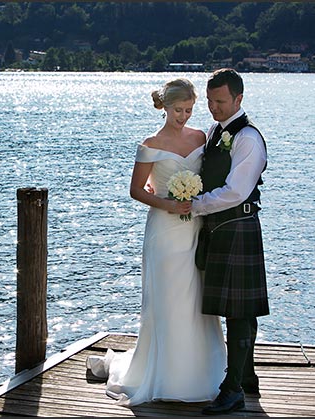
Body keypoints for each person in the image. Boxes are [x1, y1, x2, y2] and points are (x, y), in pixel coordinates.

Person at [86, 78, 227, 406]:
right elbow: (136, 190)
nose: (184, 116)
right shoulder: (150, 143)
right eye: (179, 110)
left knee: (195, 299)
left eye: (190, 110)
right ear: (165, 107)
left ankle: (201, 369)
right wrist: (168, 203)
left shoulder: (201, 137)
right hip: (164, 230)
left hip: (195, 226)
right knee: (168, 300)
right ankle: (164, 373)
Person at [192, 68, 270, 415]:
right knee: (237, 309)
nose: (214, 108)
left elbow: (237, 191)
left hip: (237, 225)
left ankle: (233, 388)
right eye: (210, 101)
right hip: (219, 228)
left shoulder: (247, 138)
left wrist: (195, 206)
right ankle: (247, 375)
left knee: (239, 311)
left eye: (221, 101)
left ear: (239, 98)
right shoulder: (214, 132)